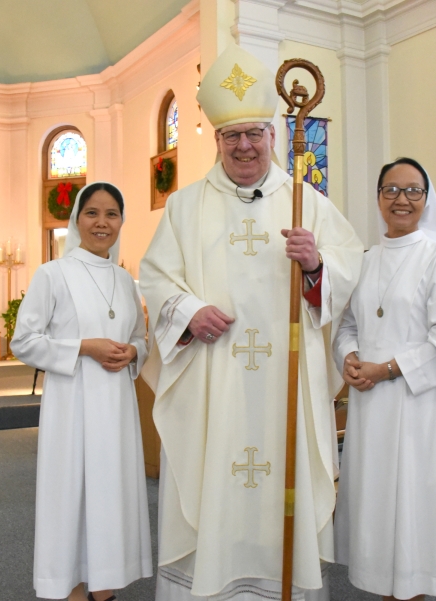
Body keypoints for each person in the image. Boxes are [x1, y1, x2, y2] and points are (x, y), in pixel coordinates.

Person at [139, 44, 363, 601]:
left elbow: (347, 268)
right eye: (231, 135)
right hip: (213, 378)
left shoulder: (305, 201)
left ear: (270, 136)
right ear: (216, 141)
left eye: (254, 134)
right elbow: (156, 278)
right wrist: (190, 313)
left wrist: (315, 266)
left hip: (285, 384)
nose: (243, 145)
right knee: (216, 472)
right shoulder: (183, 207)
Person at [332, 158, 436, 601]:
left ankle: (413, 591)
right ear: (378, 199)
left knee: (414, 503)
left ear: (426, 200)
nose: (401, 200)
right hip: (371, 404)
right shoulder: (365, 260)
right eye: (391, 190)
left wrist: (386, 368)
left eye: (412, 191)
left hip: (416, 404)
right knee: (375, 501)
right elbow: (347, 323)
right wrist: (349, 357)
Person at [11, 182, 152, 601]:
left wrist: (132, 352)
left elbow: (140, 339)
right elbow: (24, 341)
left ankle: (105, 590)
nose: (102, 223)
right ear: (76, 219)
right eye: (92, 213)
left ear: (122, 221)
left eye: (111, 214)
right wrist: (83, 347)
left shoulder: (127, 280)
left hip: (116, 407)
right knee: (70, 497)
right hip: (71, 405)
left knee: (110, 497)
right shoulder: (52, 273)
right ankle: (71, 591)